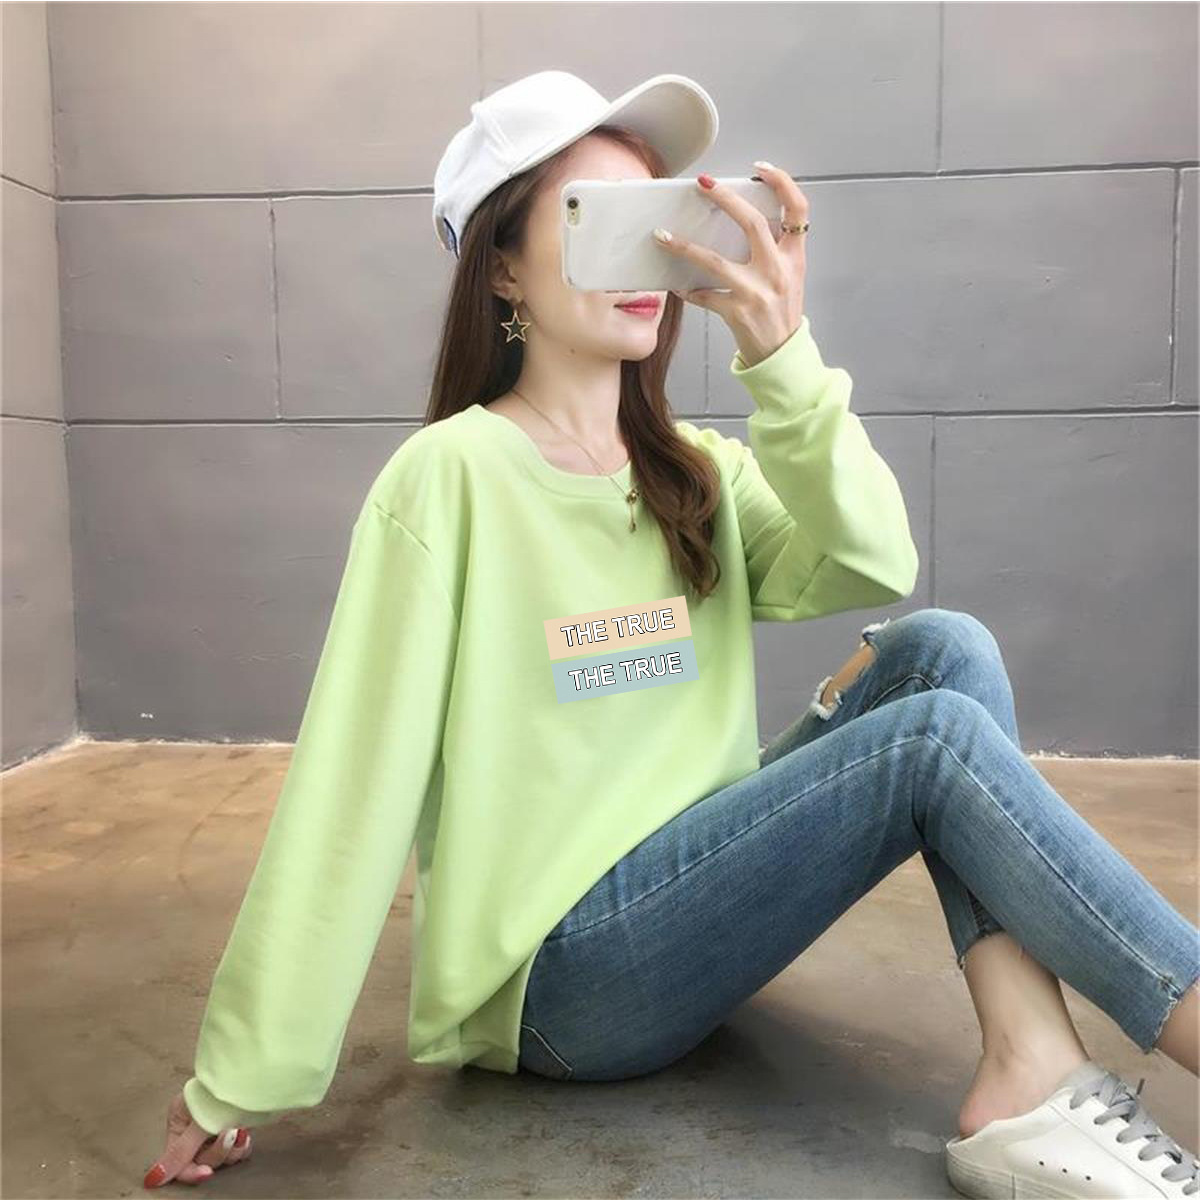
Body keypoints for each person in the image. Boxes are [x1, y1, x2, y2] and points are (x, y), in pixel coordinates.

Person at [145, 71, 1199, 1196]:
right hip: (562, 979)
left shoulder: (693, 472)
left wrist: (783, 359)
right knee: (929, 743)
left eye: (659, 220)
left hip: (693, 899)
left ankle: (1027, 1053)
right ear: (502, 267)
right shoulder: (449, 478)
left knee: (946, 650)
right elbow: (353, 785)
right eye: (595, 219)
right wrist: (237, 1077)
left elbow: (873, 560)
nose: (644, 259)